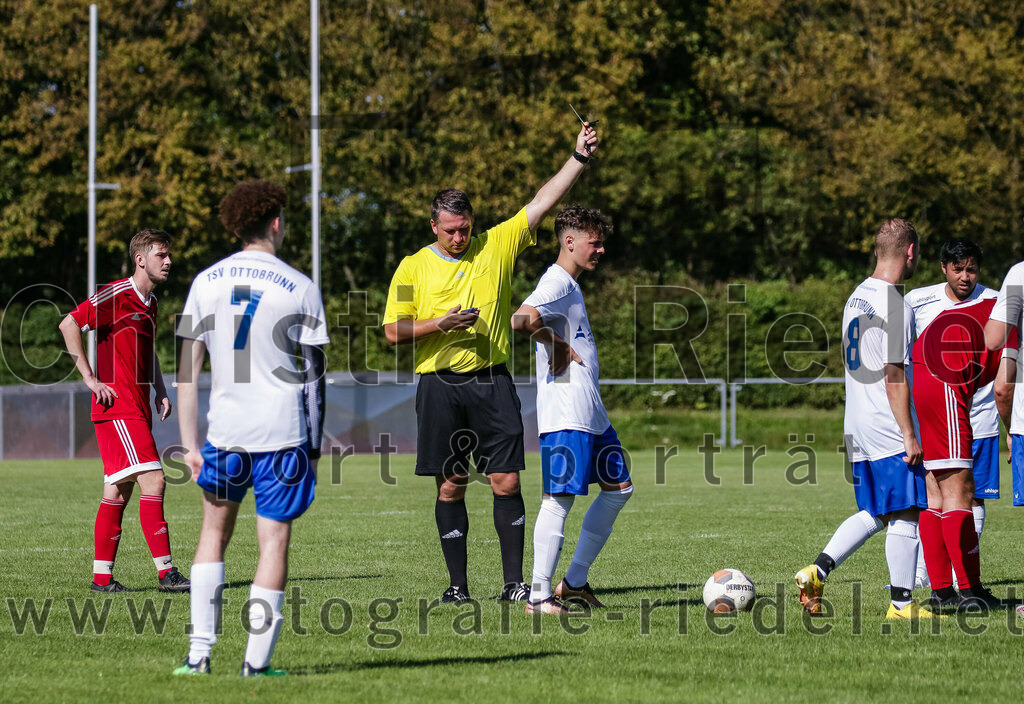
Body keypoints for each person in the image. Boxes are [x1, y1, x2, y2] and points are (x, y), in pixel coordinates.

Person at [383, 122, 600, 603]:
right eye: (451, 230)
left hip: (492, 382)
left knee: (505, 479)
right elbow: (392, 331)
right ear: (433, 226)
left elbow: (543, 201)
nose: (460, 237)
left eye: (466, 228)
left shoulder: (495, 244)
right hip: (439, 386)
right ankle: (457, 588)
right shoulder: (412, 266)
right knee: (451, 487)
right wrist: (440, 324)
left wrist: (578, 157)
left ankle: (514, 585)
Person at [173, 181, 329, 677]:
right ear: (276, 223)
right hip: (282, 434)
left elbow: (186, 373)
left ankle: (198, 657)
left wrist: (191, 443)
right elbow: (315, 379)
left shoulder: (205, 281)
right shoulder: (300, 285)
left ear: (236, 225)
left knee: (212, 537)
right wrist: (315, 447)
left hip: (225, 433)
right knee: (273, 543)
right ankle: (255, 664)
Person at [794, 218, 939, 619]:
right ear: (910, 252)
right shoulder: (896, 304)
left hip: (856, 423)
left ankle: (817, 570)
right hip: (885, 423)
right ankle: (901, 604)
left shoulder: (857, 296)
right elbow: (894, 375)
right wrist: (910, 434)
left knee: (876, 512)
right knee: (908, 509)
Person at [511, 205, 632, 615]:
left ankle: (574, 583)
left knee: (620, 490)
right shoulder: (557, 281)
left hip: (590, 412)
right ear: (569, 241)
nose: (600, 250)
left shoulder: (572, 285)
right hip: (567, 410)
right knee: (558, 499)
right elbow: (520, 319)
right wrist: (555, 342)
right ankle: (539, 596)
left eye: (602, 243)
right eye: (594, 243)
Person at [58, 228, 190, 594]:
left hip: (138, 408)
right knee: (155, 480)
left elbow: (148, 353)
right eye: (161, 254)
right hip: (117, 409)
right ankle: (167, 573)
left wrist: (161, 390)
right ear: (141, 259)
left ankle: (102, 579)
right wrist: (89, 377)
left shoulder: (151, 304)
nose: (169, 261)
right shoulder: (116, 293)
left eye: (168, 254)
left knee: (118, 493)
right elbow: (69, 323)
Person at [904, 238, 1011, 588]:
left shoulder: (998, 297)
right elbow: (1004, 385)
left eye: (972, 269)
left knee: (941, 494)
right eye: (958, 268)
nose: (966, 276)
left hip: (958, 404)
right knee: (960, 494)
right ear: (943, 268)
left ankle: (942, 590)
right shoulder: (1006, 307)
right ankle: (969, 589)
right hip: (948, 396)